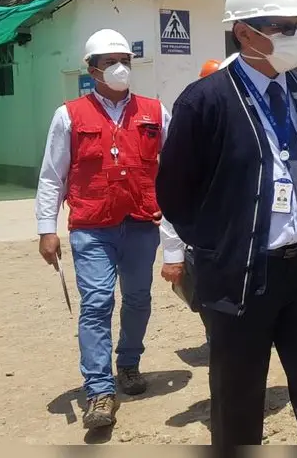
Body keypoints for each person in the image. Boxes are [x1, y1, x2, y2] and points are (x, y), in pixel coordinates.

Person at [155, 0, 297, 446]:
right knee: (238, 402)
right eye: (282, 27)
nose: (294, 36)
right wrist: (220, 247)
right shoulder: (205, 101)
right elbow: (174, 194)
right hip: (241, 279)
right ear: (244, 33)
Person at [35, 29, 184, 429]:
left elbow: (175, 170)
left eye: (125, 61)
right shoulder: (69, 115)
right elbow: (52, 175)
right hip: (91, 227)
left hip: (141, 224)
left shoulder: (155, 111)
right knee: (98, 302)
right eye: (110, 62)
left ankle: (129, 363)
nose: (120, 68)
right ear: (92, 70)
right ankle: (99, 390)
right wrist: (46, 228)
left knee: (137, 299)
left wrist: (177, 232)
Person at [165, 59, 230, 345]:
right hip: (205, 245)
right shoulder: (190, 129)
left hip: (241, 242)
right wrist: (173, 254)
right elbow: (173, 195)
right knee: (213, 306)